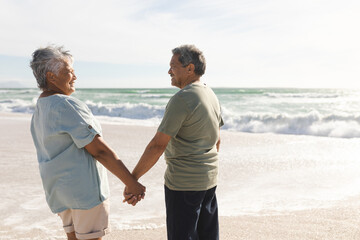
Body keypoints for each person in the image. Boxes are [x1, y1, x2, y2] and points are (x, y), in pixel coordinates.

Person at [30, 45, 145, 240]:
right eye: (69, 72)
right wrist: (131, 183)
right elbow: (99, 150)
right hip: (83, 193)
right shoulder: (66, 104)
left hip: (59, 191)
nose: (74, 77)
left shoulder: (40, 107)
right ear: (51, 77)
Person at [124, 45, 224, 240]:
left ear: (190, 68)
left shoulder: (183, 98)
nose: (169, 71)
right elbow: (217, 140)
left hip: (184, 185)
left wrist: (132, 179)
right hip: (209, 180)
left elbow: (157, 145)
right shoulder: (210, 94)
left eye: (173, 66)